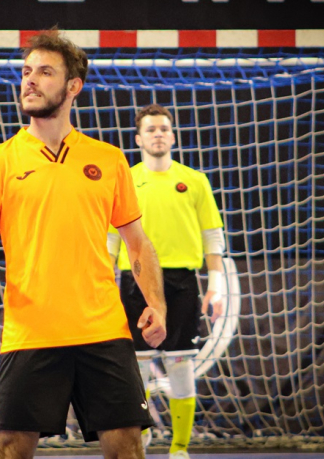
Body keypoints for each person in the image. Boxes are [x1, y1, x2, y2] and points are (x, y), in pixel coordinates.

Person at [0, 29, 167, 459]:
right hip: (30, 332)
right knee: (11, 448)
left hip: (103, 330)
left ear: (73, 87)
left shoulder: (108, 159)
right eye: (27, 71)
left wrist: (157, 305)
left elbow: (138, 244)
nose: (30, 80)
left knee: (127, 446)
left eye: (45, 72)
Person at [108, 104, 227, 459]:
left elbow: (213, 236)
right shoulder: (126, 180)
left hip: (182, 281)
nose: (158, 134)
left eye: (163, 128)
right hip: (135, 280)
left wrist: (217, 285)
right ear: (139, 138)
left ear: (172, 136)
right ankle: (138, 439)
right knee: (138, 364)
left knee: (180, 361)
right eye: (151, 129)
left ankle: (179, 447)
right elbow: (112, 240)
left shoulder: (194, 181)